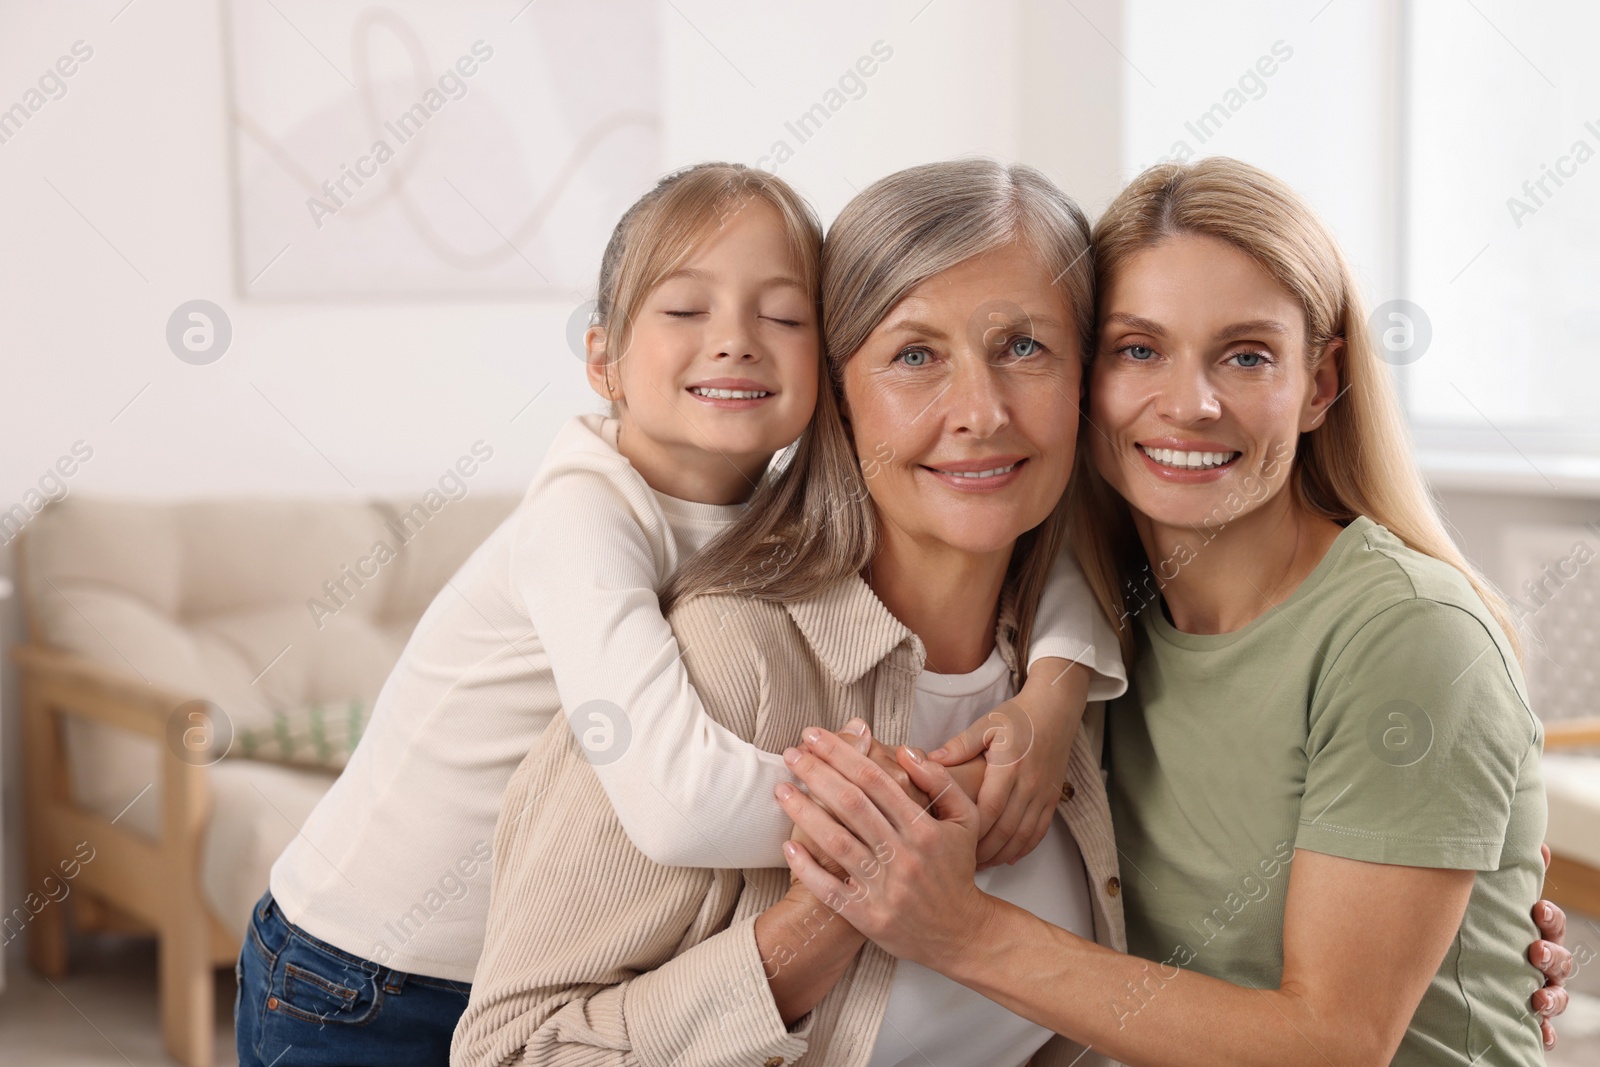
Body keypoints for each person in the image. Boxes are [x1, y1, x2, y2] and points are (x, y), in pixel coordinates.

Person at [236, 162, 1119, 1067]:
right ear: (601, 359)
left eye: (781, 317)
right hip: (358, 968)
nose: (734, 343)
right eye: (685, 311)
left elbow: (1051, 566)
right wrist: (897, 823)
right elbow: (674, 800)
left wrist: (1052, 696)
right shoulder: (584, 519)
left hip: (503, 948)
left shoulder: (769, 511)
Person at [779, 157, 1571, 1065]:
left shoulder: (1410, 637)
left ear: (1320, 384)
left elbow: (1333, 1045)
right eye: (1139, 349)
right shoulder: (1083, 621)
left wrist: (962, 930)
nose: (1189, 405)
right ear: (1083, 377)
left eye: (1246, 355)